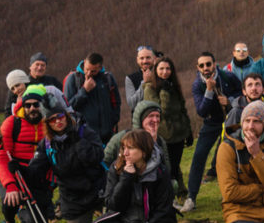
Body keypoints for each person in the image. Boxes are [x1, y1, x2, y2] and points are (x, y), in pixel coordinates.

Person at [80, 129, 177, 223]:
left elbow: (162, 213)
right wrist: (126, 179)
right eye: (123, 148)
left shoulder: (160, 172)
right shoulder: (116, 168)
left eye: (130, 148)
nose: (125, 153)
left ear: (144, 151)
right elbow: (112, 204)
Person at [27, 102, 106, 223]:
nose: (58, 121)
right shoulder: (47, 145)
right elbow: (36, 171)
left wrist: (79, 143)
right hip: (71, 197)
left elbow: (98, 156)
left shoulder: (84, 132)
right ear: (48, 124)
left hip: (97, 189)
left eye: (60, 117)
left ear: (66, 117)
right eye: (52, 120)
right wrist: (19, 169)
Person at [185, 50, 242, 213]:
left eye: (208, 64)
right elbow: (201, 111)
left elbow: (241, 94)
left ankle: (238, 193)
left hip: (231, 120)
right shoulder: (198, 85)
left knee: (236, 154)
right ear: (198, 67)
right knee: (199, 156)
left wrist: (230, 101)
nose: (206, 68)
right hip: (211, 123)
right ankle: (191, 197)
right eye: (202, 65)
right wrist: (209, 91)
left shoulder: (227, 77)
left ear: (214, 64)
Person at [0, 86, 51, 223]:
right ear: (23, 106)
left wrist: (50, 181)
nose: (32, 108)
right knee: (10, 200)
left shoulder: (50, 124)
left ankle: (25, 214)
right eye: (28, 105)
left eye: (36, 104)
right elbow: (1, 157)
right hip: (14, 172)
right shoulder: (11, 123)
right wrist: (11, 185)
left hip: (36, 175)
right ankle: (8, 221)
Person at [141, 56, 190, 207]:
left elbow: (182, 109)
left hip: (179, 133)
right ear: (156, 70)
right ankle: (169, 197)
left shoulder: (174, 85)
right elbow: (161, 110)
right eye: (161, 68)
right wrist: (164, 92)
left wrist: (188, 131)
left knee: (175, 166)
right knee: (167, 168)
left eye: (168, 68)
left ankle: (180, 193)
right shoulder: (151, 88)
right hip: (164, 135)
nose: (165, 72)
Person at [64, 52, 121, 144]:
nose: (89, 73)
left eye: (93, 71)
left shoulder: (107, 78)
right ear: (85, 62)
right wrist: (84, 90)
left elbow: (116, 103)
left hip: (106, 135)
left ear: (100, 67)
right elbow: (68, 107)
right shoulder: (73, 79)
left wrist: (112, 121)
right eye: (87, 69)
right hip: (83, 135)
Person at [103, 100, 169, 169]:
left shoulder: (160, 141)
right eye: (151, 116)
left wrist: (153, 142)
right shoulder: (121, 138)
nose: (155, 120)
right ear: (141, 119)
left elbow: (167, 168)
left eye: (157, 116)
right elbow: (104, 162)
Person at [124, 45, 157, 112]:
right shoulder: (130, 78)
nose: (145, 61)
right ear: (137, 60)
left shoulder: (161, 74)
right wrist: (144, 83)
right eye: (142, 58)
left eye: (148, 58)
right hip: (139, 120)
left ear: (154, 59)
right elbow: (132, 104)